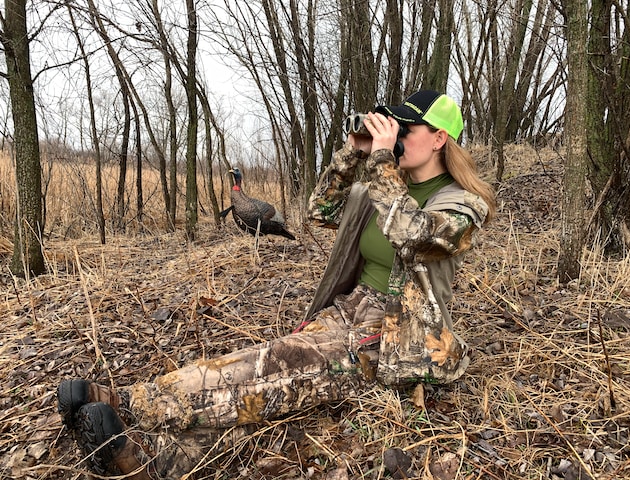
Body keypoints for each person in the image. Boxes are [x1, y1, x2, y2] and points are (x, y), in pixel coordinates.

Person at [57, 90, 496, 479]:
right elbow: (320, 210)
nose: (395, 134)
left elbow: (412, 233)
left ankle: (134, 409)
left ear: (439, 138)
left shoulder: (462, 202)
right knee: (261, 363)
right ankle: (146, 458)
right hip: (349, 311)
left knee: (276, 383)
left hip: (398, 336)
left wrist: (383, 162)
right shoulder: (376, 188)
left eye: (405, 127)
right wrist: (354, 154)